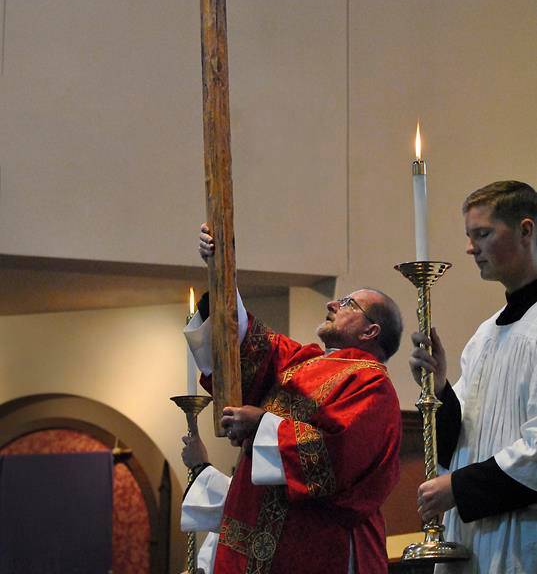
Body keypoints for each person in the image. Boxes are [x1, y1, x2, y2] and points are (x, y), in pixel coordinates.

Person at [180, 224, 403, 574]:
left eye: (348, 303)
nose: (332, 303)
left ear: (370, 330)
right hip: (257, 537)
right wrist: (222, 269)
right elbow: (246, 345)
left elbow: (338, 455)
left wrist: (261, 425)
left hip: (313, 547)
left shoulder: (372, 385)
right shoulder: (304, 362)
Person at [409, 180, 537, 574]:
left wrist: (459, 488)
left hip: (523, 538)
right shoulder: (485, 334)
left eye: (482, 234)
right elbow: (461, 442)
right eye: (469, 236)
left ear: (526, 230)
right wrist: (440, 388)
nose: (470, 248)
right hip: (473, 539)